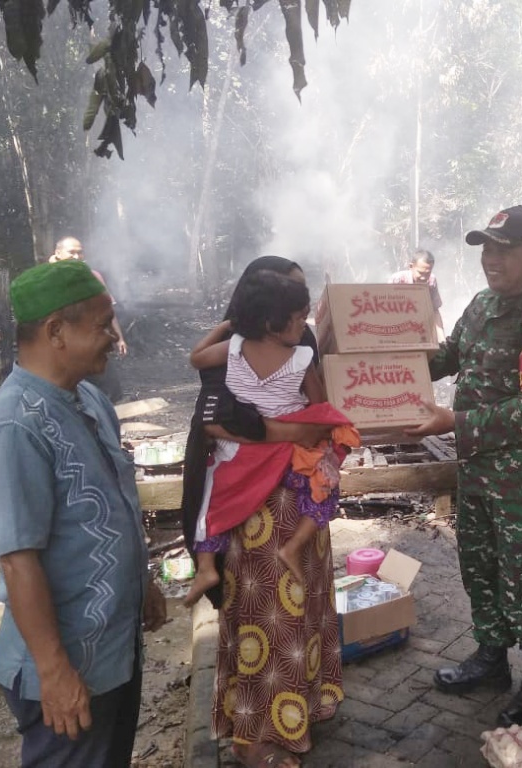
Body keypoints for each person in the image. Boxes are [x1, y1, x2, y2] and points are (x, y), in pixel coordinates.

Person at [0, 259, 167, 767]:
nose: (111, 337)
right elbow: (18, 561)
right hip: (68, 668)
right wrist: (54, 672)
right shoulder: (13, 428)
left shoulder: (91, 401)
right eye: (101, 325)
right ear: (56, 331)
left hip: (113, 651)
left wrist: (142, 581)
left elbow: (110, 507)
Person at [405, 205, 522, 727]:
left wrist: (452, 422)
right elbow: (447, 355)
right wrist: (379, 367)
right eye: (486, 248)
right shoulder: (483, 304)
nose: (490, 259)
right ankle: (491, 658)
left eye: (503, 249)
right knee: (480, 569)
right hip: (480, 473)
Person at [180, 257, 342, 768]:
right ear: (268, 316)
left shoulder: (289, 347)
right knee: (267, 620)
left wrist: (307, 437)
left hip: (284, 497)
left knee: (301, 610)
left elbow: (321, 416)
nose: (305, 319)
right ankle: (254, 739)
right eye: (296, 306)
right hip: (260, 511)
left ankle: (298, 709)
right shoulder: (239, 358)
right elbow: (217, 425)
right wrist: (296, 432)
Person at [183, 271, 356, 607]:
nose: (303, 324)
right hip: (288, 451)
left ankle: (205, 567)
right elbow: (319, 406)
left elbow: (196, 358)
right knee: (324, 483)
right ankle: (294, 545)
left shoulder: (232, 349)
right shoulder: (301, 358)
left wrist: (224, 328)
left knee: (209, 503)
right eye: (297, 318)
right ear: (272, 324)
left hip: (239, 453)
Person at [390, 248, 445, 334]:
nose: (423, 277)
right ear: (411, 267)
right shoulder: (397, 279)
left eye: (427, 273)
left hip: (419, 327)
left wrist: (442, 339)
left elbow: (435, 310)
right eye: (420, 273)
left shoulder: (431, 281)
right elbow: (385, 310)